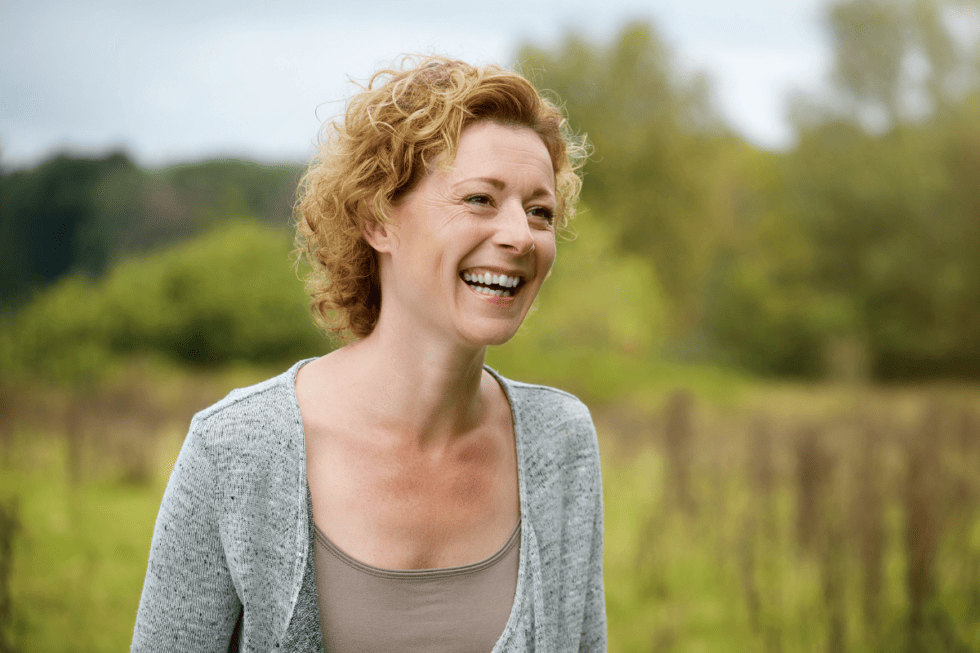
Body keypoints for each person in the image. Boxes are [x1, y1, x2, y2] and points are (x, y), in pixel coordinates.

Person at [132, 56, 605, 652]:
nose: (520, 236)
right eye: (481, 199)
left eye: (540, 211)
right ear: (377, 220)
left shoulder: (561, 444)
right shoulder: (234, 451)